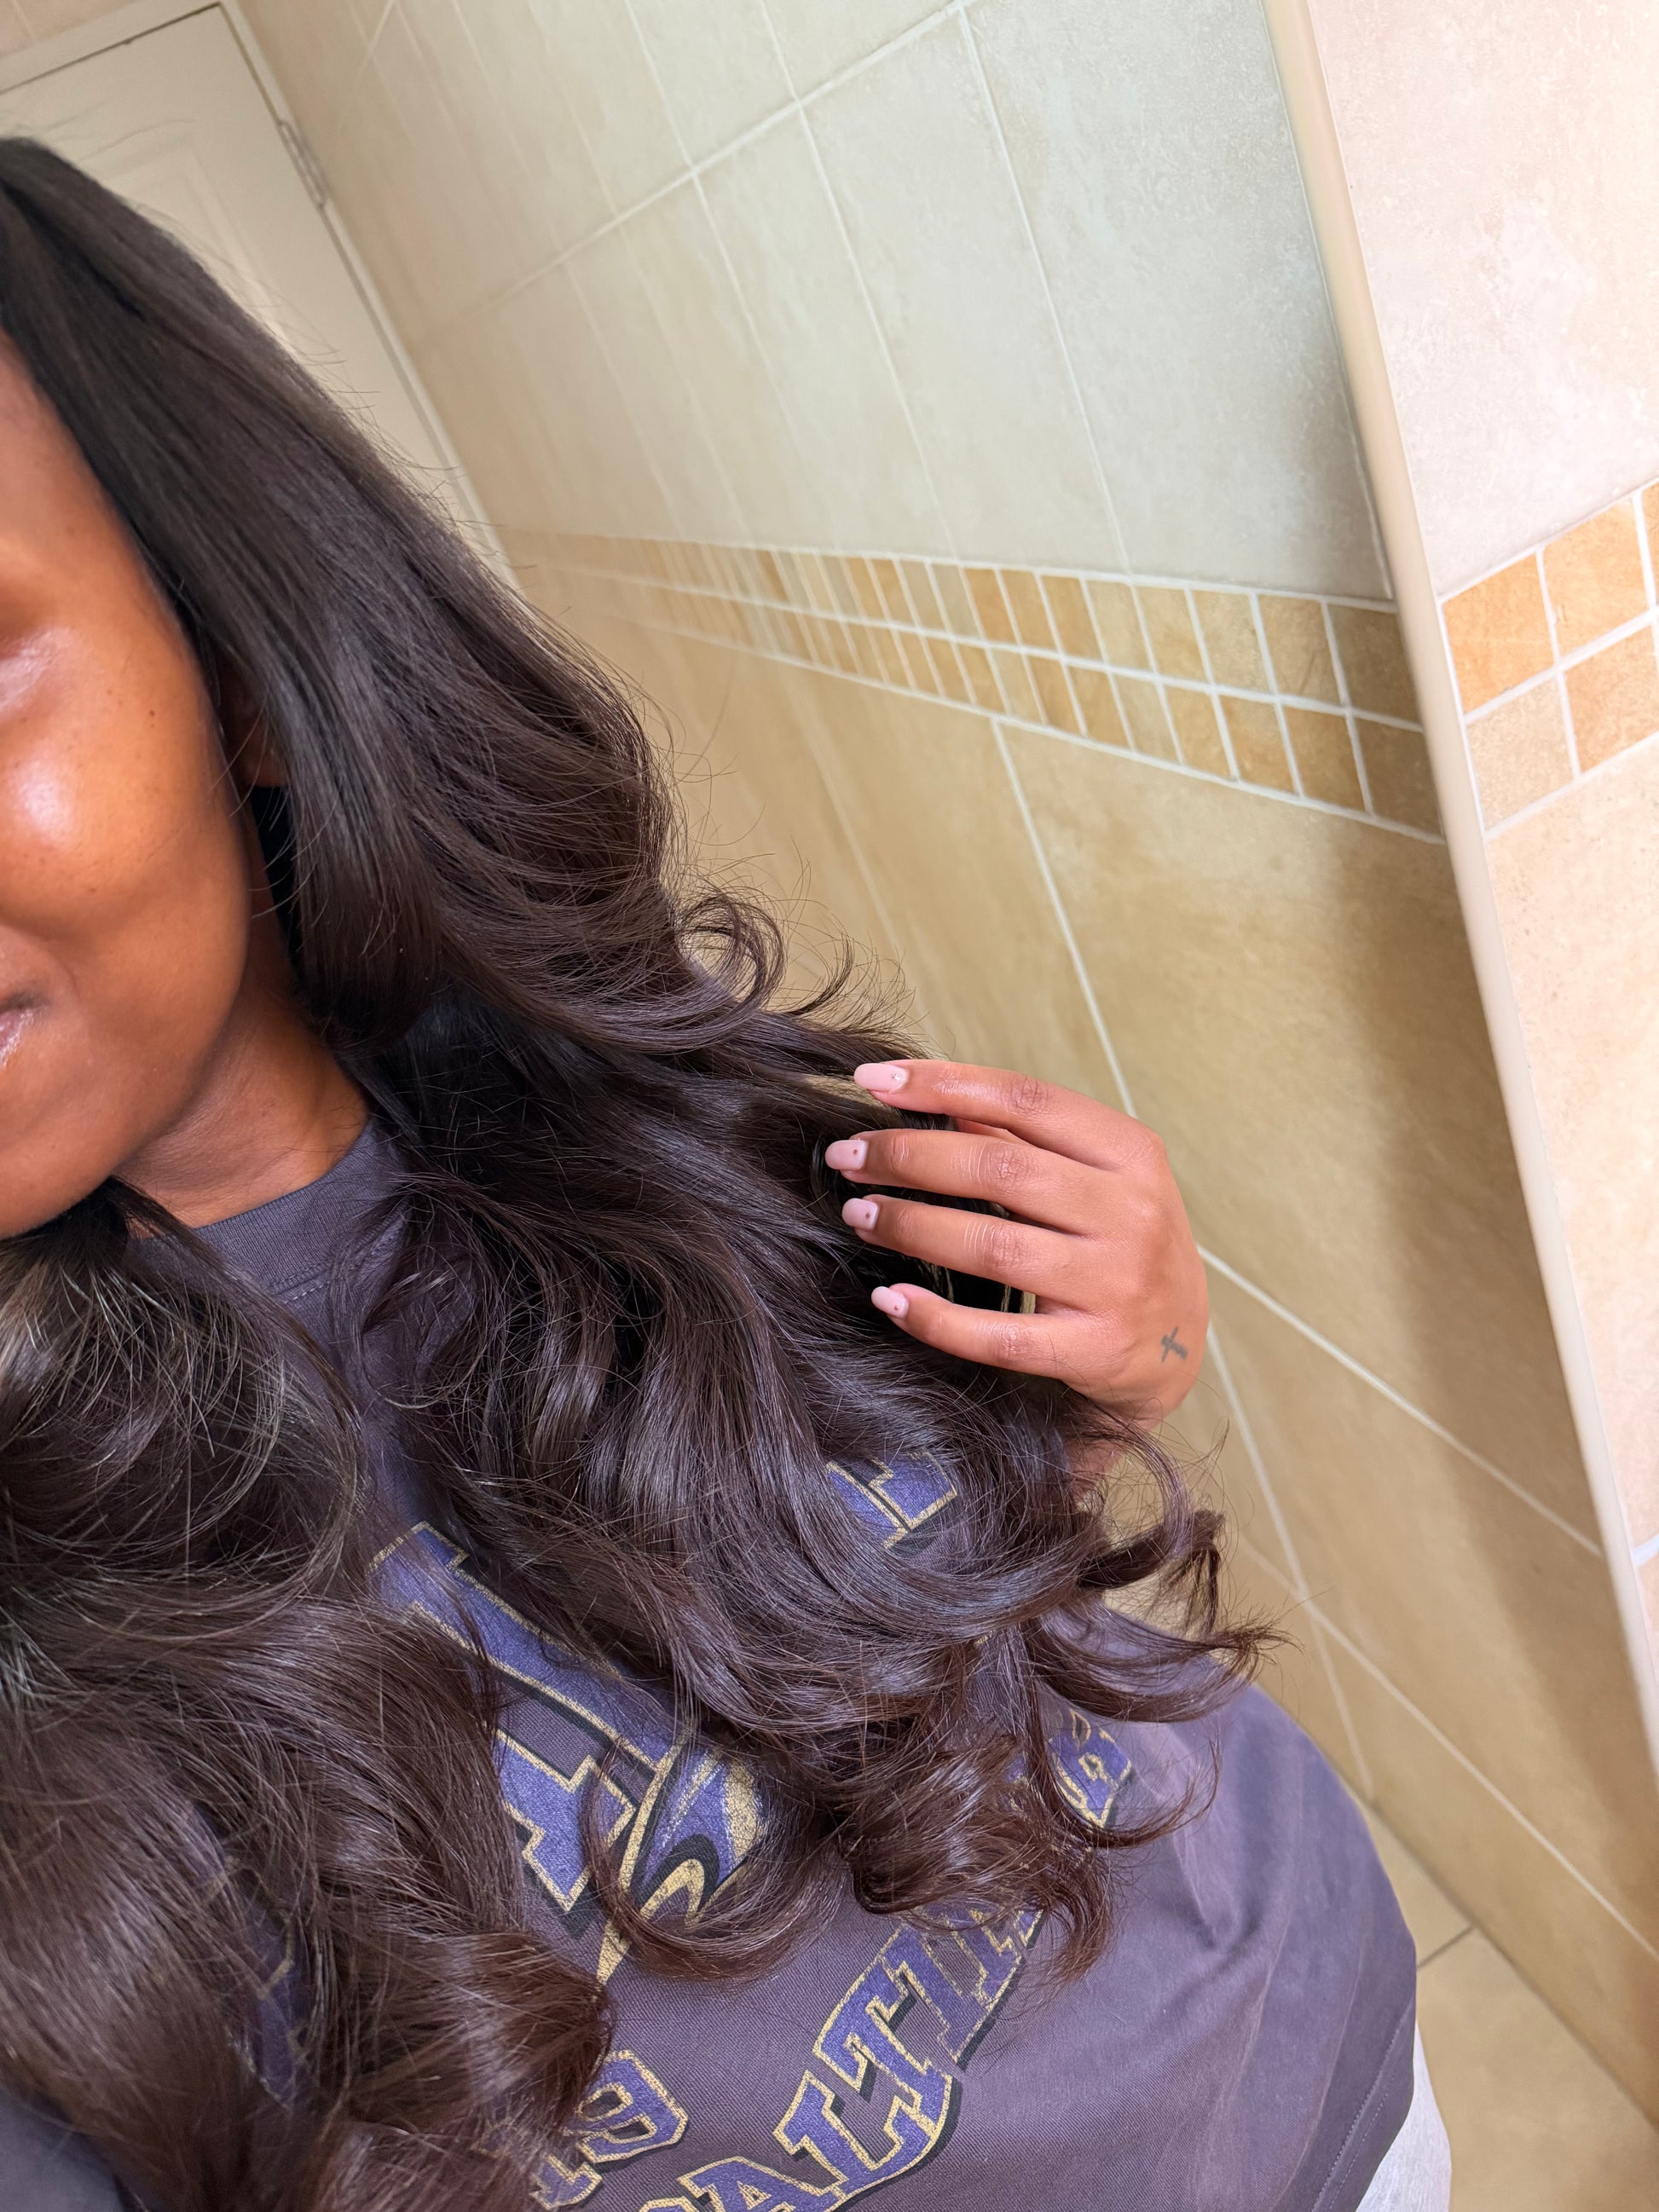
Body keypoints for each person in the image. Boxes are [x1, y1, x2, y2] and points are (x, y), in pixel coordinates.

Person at [0, 140, 1448, 2212]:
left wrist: (1110, 1342)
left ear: (236, 671)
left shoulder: (587, 1068)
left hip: (1319, 2027)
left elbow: (964, 1559)